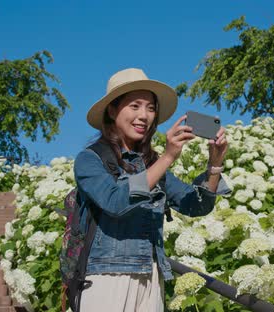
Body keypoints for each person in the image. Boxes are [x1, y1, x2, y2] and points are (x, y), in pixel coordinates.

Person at [73, 68, 232, 311]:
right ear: (113, 110)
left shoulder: (152, 166)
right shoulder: (90, 159)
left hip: (151, 277)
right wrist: (168, 157)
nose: (144, 116)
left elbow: (196, 205)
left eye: (150, 108)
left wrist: (215, 164)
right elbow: (115, 201)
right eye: (135, 106)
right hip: (107, 277)